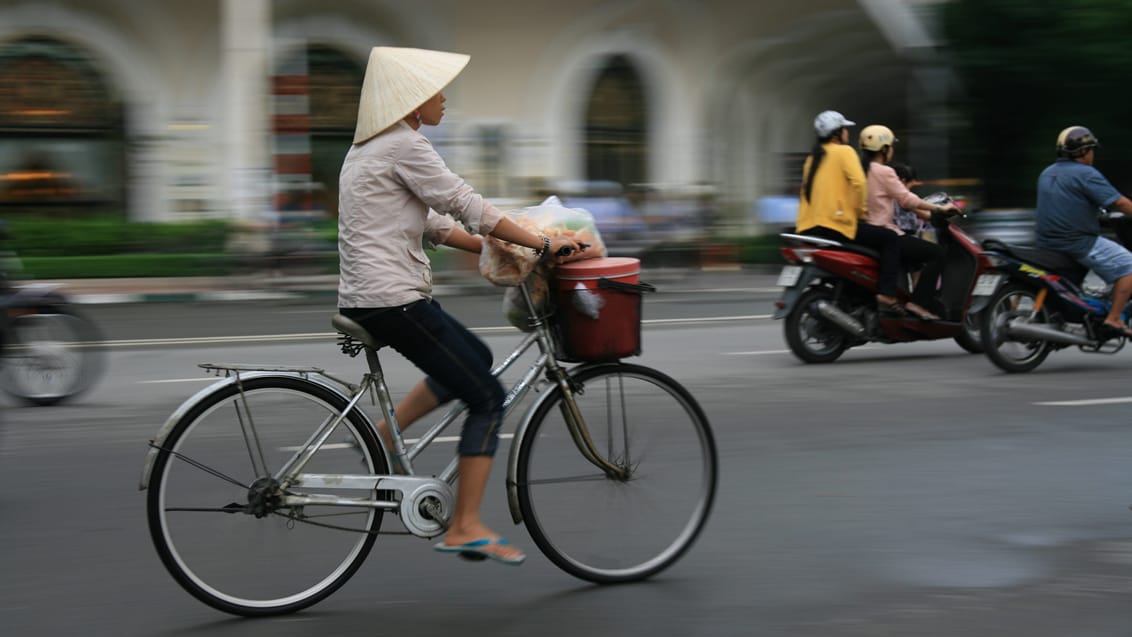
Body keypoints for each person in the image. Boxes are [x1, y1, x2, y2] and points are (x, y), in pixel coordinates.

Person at [337, 46, 583, 565]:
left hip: (372, 299)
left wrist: (502, 247)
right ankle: (465, 525)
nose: (443, 99)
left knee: (474, 359)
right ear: (411, 100)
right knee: (489, 396)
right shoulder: (404, 146)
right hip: (393, 301)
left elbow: (435, 225)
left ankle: (383, 434)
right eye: (436, 90)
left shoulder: (366, 151)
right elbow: (466, 205)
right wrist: (540, 245)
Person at [794, 110, 904, 313]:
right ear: (837, 133)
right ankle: (887, 294)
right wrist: (860, 213)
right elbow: (859, 183)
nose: (847, 133)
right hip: (834, 226)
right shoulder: (844, 152)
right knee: (889, 238)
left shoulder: (813, 158)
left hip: (807, 227)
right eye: (845, 129)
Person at [1035, 125, 1132, 339]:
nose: (1092, 154)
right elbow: (1120, 203)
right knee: (1129, 266)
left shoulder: (1047, 173)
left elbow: (1067, 205)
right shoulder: (1085, 173)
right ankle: (1114, 319)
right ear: (1083, 151)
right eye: (1091, 150)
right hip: (1077, 242)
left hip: (1047, 244)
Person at [858, 125, 957, 320]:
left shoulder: (859, 170)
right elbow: (906, 199)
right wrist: (940, 209)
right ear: (885, 149)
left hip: (863, 231)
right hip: (884, 231)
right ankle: (919, 303)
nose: (892, 151)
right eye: (891, 147)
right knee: (937, 253)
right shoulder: (884, 171)